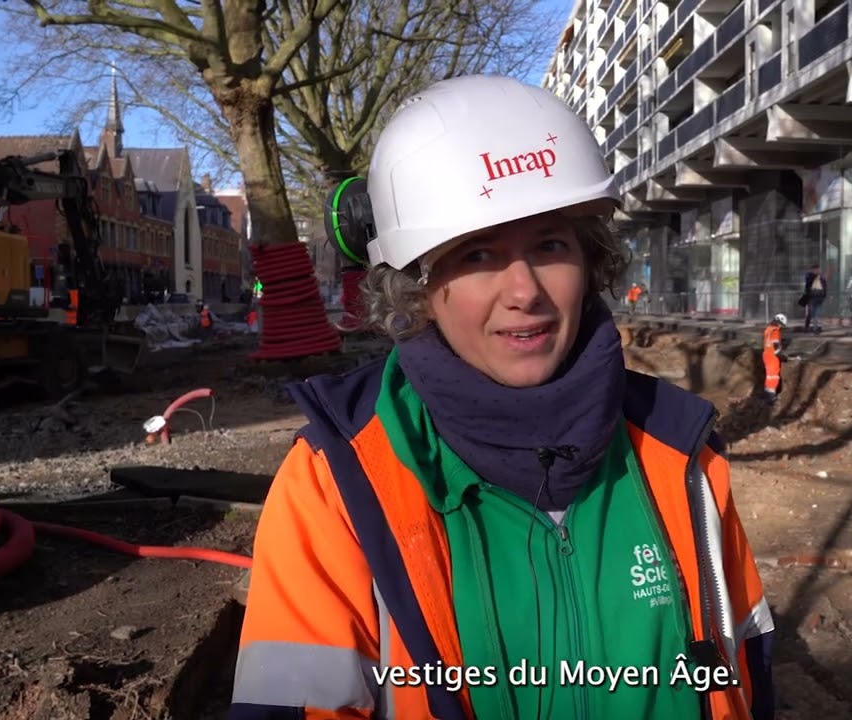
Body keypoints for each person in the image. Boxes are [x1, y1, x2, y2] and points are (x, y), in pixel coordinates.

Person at [228, 75, 776, 720]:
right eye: (477, 253)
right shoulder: (338, 480)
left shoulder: (681, 454)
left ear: (589, 260)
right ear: (416, 287)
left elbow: (743, 681)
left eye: (549, 244)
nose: (525, 291)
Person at [763, 313, 787, 400]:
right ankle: (771, 396)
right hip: (773, 356)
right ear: (778, 322)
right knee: (774, 376)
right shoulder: (776, 331)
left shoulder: (768, 329)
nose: (781, 327)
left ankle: (766, 393)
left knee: (769, 375)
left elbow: (769, 341)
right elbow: (776, 346)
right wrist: (782, 356)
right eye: (781, 324)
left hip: (766, 354)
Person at [800, 264, 827, 334]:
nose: (817, 271)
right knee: (811, 313)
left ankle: (815, 329)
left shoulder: (821, 277)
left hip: (819, 297)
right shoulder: (809, 275)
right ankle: (807, 327)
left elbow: (825, 286)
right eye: (815, 269)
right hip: (811, 298)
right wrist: (814, 275)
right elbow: (808, 282)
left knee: (816, 314)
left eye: (817, 269)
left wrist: (824, 295)